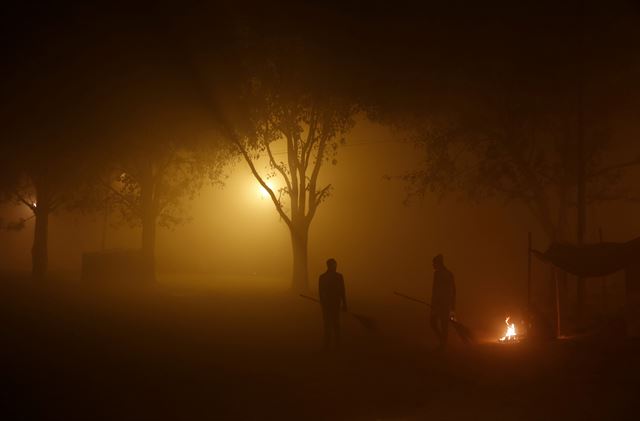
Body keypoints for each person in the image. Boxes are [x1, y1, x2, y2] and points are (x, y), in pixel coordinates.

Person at [319, 258, 347, 349]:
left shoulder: (339, 277)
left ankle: (337, 344)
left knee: (335, 324)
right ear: (329, 266)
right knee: (328, 325)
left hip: (335, 304)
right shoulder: (323, 277)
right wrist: (323, 302)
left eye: (335, 265)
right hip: (328, 305)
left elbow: (342, 291)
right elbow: (321, 292)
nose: (335, 267)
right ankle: (327, 344)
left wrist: (344, 303)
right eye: (333, 265)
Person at [430, 254, 456, 350]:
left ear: (438, 263)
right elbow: (453, 291)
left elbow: (436, 290)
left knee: (439, 323)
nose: (433, 265)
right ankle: (443, 342)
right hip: (445, 303)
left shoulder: (439, 274)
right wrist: (452, 305)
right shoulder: (449, 274)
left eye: (434, 263)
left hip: (442, 304)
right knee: (439, 323)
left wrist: (435, 303)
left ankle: (443, 343)